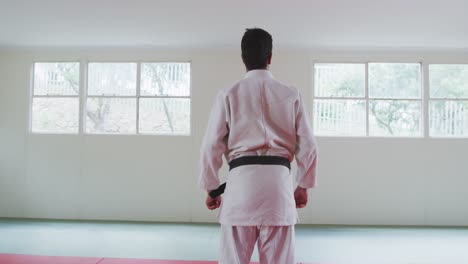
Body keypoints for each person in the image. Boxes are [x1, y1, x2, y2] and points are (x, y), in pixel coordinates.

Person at [198, 28, 318, 264]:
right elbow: (309, 145)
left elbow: (211, 146)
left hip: (240, 188)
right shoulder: (291, 94)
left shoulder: (228, 94)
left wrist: (211, 188)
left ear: (243, 58)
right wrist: (303, 185)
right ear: (270, 57)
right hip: (278, 188)